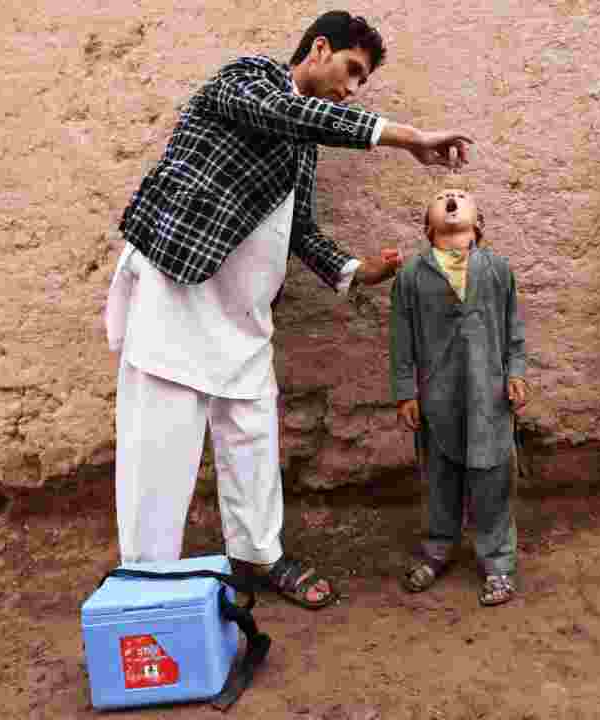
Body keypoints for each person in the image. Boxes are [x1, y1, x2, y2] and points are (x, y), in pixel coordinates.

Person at [104, 10, 473, 610]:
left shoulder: (304, 149)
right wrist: (405, 137)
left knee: (251, 433)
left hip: (242, 316)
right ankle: (150, 584)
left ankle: (257, 556)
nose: (352, 89)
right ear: (319, 48)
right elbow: (292, 115)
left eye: (362, 83)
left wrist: (354, 271)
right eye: (351, 71)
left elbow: (297, 228)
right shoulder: (245, 79)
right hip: (177, 290)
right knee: (160, 442)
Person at [390, 188, 527, 606]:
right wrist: (405, 393)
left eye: (461, 195)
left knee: (492, 478)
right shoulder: (411, 275)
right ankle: (437, 549)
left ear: (478, 224)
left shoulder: (498, 270)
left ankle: (498, 563)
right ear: (428, 226)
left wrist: (516, 373)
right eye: (442, 196)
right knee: (440, 477)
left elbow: (513, 329)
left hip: (489, 394)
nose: (451, 197)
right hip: (437, 396)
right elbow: (400, 340)